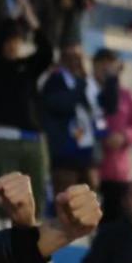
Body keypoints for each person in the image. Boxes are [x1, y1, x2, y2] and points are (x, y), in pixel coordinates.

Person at [0, 10, 54, 217]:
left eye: (17, 40)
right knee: (4, 200)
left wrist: (32, 21)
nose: (13, 45)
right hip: (2, 139)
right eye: (9, 40)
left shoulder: (26, 67)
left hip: (33, 140)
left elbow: (47, 52)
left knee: (34, 203)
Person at [40, 43, 99, 196]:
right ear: (62, 59)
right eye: (71, 58)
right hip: (64, 155)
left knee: (90, 202)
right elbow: (60, 105)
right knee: (67, 200)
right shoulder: (55, 80)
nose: (76, 62)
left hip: (85, 154)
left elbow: (97, 110)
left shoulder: (86, 84)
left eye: (79, 58)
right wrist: (81, 86)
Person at [94, 48, 132, 225]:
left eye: (110, 66)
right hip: (91, 166)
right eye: (102, 66)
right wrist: (102, 136)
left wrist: (123, 137)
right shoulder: (89, 92)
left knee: (113, 220)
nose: (106, 71)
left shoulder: (127, 96)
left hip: (118, 170)